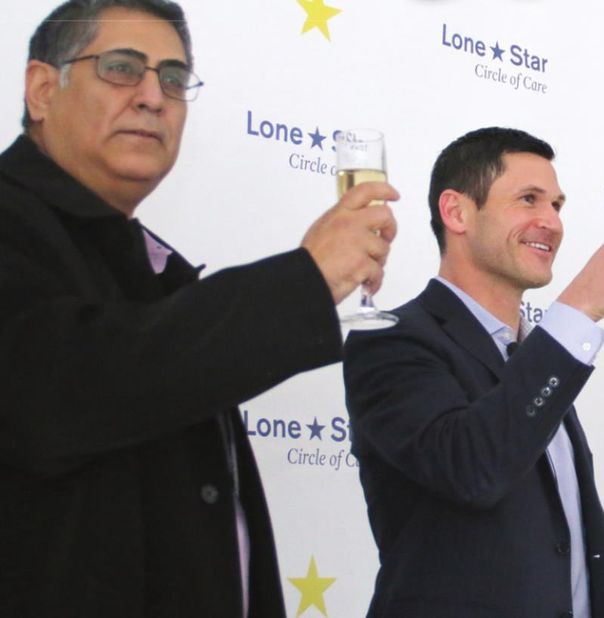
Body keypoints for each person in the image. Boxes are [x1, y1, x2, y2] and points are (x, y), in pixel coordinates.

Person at [0, 1, 397, 616]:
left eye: (175, 79)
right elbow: (68, 383)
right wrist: (304, 282)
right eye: (122, 67)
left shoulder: (156, 266)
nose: (154, 96)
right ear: (43, 89)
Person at [343, 127, 604, 618]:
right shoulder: (391, 340)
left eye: (557, 205)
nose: (552, 223)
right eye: (528, 200)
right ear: (456, 212)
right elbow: (472, 468)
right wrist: (578, 307)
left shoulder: (531, 355)